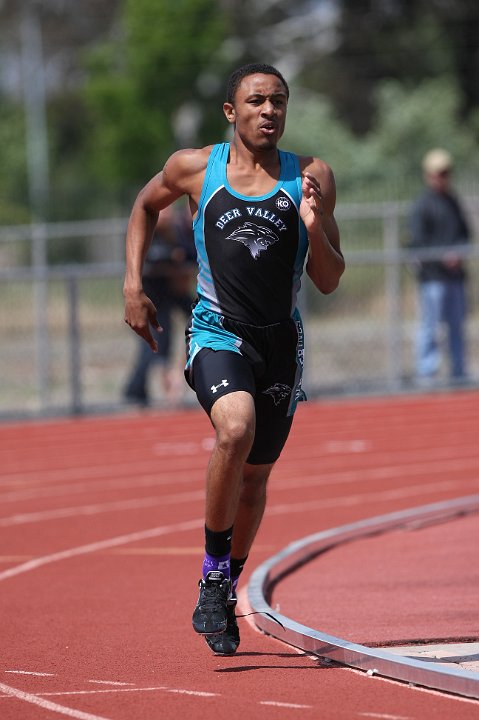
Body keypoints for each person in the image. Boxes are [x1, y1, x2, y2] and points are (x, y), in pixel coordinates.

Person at [123, 62, 344, 655]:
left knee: (255, 479)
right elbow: (145, 206)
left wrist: (317, 228)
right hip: (216, 329)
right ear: (231, 112)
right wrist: (132, 285)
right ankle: (213, 572)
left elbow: (328, 280)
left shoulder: (312, 175)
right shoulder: (195, 168)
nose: (269, 110)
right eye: (256, 101)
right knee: (234, 429)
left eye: (278, 101)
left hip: (281, 343)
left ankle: (224, 582)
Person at [123, 205, 196, 407]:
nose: (168, 214)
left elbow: (189, 255)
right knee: (153, 344)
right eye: (163, 211)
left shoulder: (177, 232)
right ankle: (136, 391)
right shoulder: (145, 232)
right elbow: (151, 261)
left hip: (172, 294)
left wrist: (178, 260)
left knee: (198, 320)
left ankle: (177, 378)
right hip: (150, 298)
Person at [409, 148, 471, 384]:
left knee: (457, 326)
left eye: (447, 172)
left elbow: (465, 233)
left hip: (455, 278)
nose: (444, 177)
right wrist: (440, 256)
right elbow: (417, 241)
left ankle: (458, 370)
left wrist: (458, 252)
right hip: (433, 277)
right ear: (429, 175)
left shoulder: (454, 202)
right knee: (430, 326)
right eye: (439, 173)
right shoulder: (423, 204)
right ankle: (427, 371)